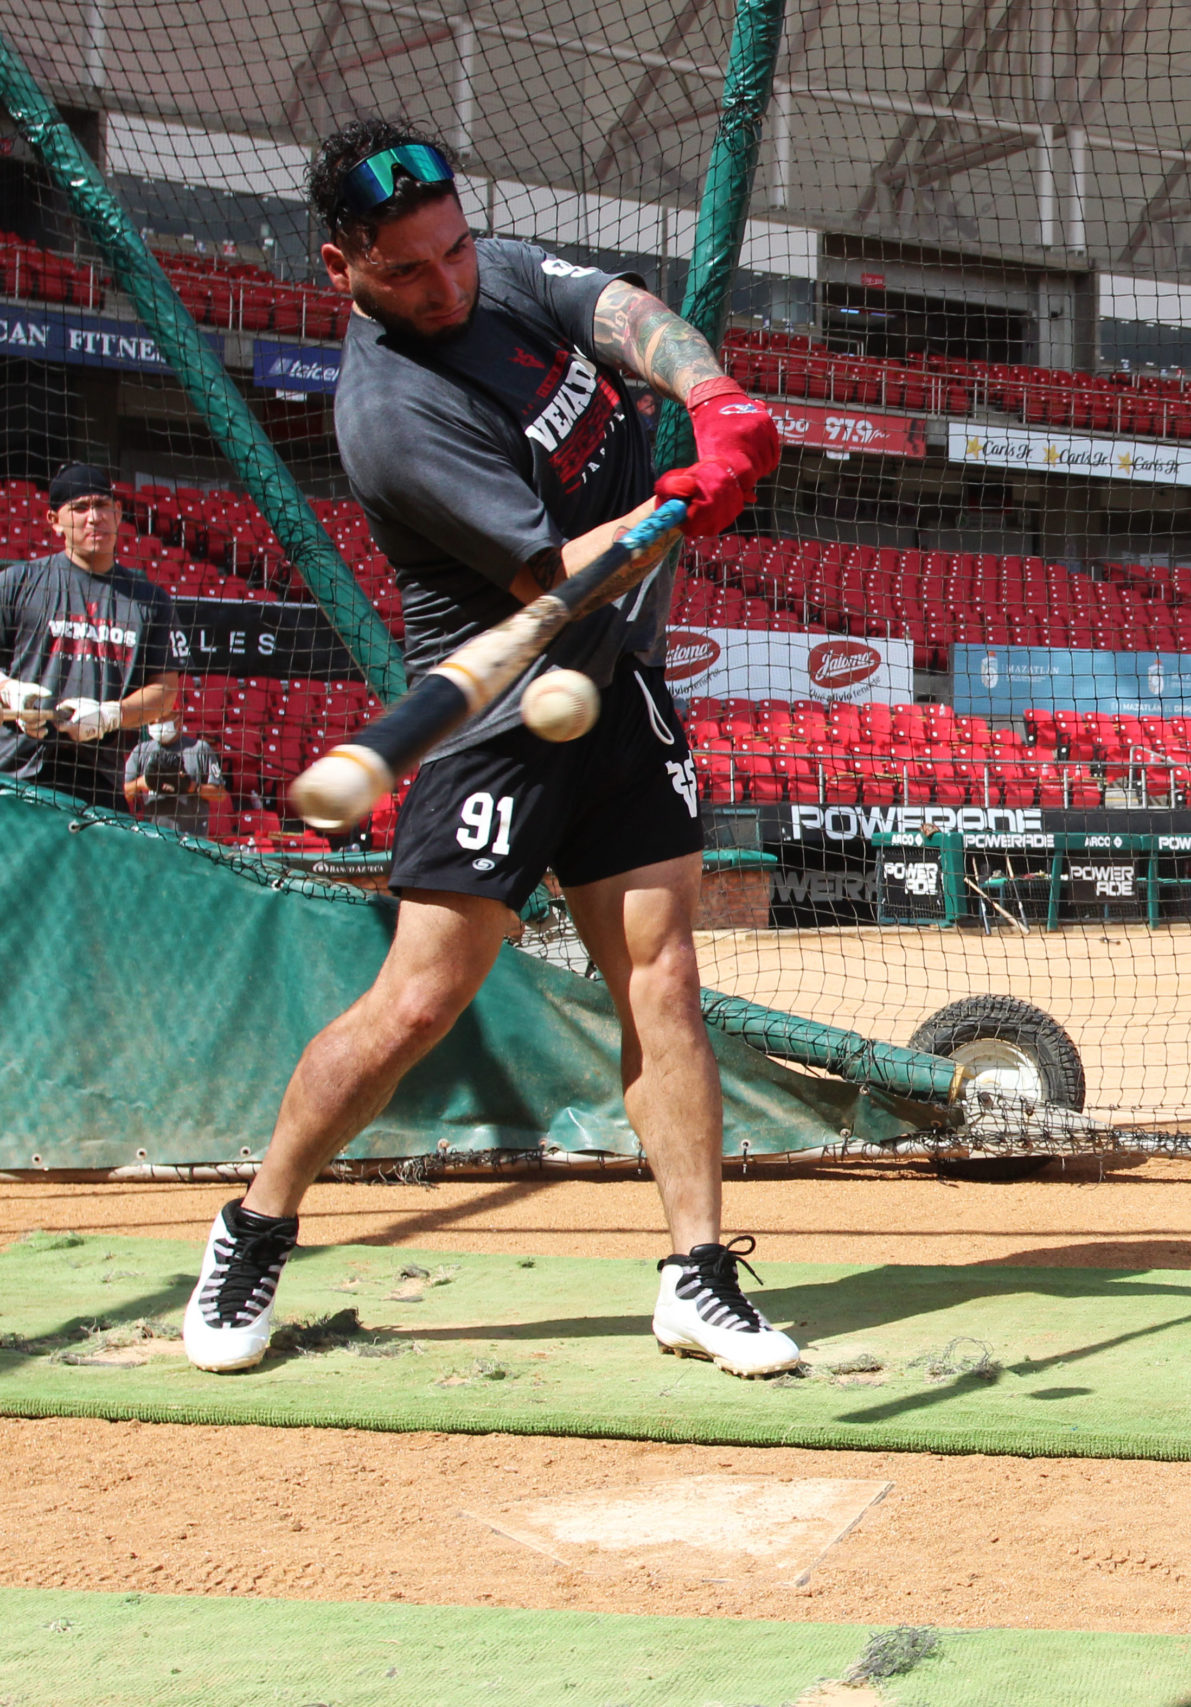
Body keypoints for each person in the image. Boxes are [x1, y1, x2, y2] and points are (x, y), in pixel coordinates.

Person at [184, 118, 793, 1378]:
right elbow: (557, 576)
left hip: (614, 690)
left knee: (664, 979)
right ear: (338, 265)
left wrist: (710, 395)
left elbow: (625, 312)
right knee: (415, 1004)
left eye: (451, 252)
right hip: (500, 713)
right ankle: (255, 1225)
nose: (446, 285)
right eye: (406, 271)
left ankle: (695, 1271)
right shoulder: (392, 413)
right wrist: (676, 505)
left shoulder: (495, 270)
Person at [0, 464, 184, 811]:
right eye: (80, 508)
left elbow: (164, 693)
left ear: (117, 513)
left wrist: (111, 714)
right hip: (17, 773)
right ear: (54, 520)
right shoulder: (16, 583)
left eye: (101, 506)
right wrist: (10, 692)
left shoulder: (150, 600)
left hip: (101, 782)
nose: (93, 518)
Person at [122, 712, 230, 835]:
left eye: (162, 719)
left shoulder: (199, 749)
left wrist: (191, 786)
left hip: (191, 838)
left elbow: (220, 794)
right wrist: (142, 782)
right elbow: (123, 793)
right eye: (152, 722)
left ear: (178, 720)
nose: (157, 723)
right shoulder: (140, 751)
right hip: (153, 836)